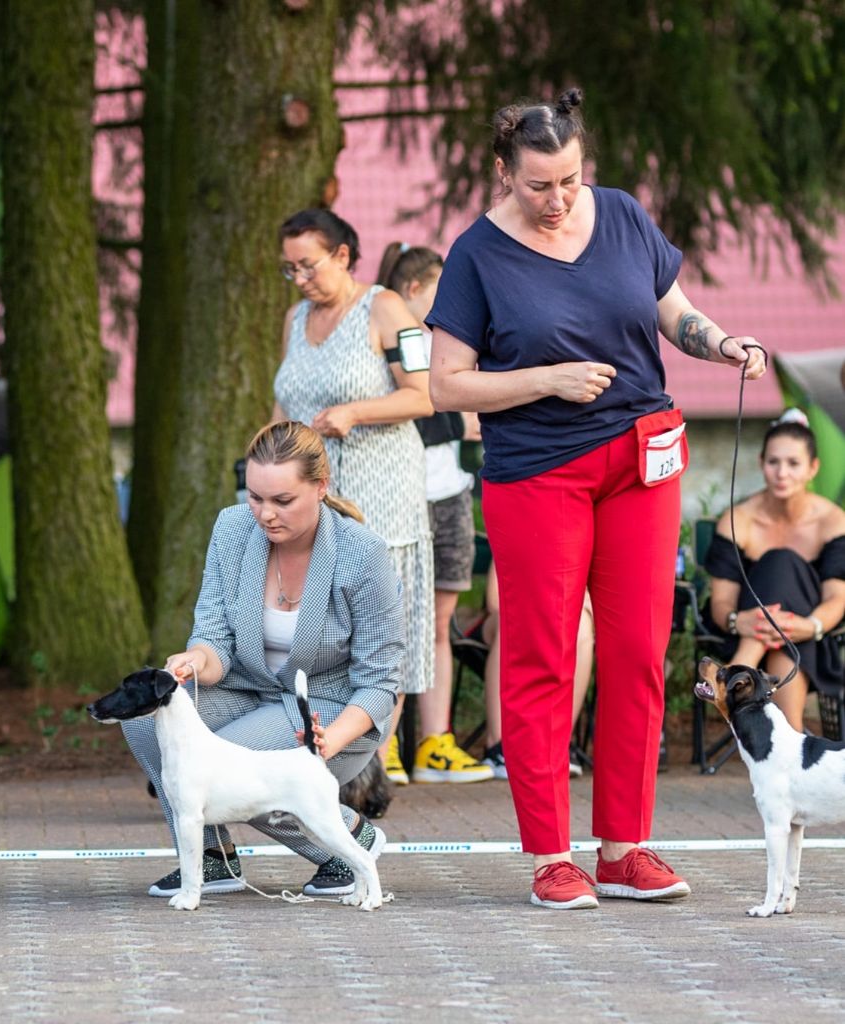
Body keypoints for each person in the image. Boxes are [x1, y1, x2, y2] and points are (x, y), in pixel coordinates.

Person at [426, 88, 767, 910]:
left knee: (638, 653)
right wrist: (545, 379)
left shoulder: (618, 215)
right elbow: (444, 382)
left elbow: (669, 310)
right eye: (539, 185)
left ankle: (624, 848)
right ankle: (551, 855)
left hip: (639, 461)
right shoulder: (475, 254)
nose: (558, 199)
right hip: (538, 470)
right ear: (503, 172)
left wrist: (720, 344)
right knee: (543, 656)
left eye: (570, 180)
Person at [123, 421, 404, 898]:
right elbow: (214, 639)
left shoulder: (364, 554)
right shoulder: (232, 528)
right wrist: (194, 660)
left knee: (231, 766)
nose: (264, 514)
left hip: (330, 708)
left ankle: (343, 845)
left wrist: (330, 738)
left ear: (321, 486)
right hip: (245, 688)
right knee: (143, 721)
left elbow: (381, 680)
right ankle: (212, 860)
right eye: (255, 497)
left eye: (282, 501)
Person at [272, 209, 436, 771]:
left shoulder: (385, 307)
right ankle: (320, 751)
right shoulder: (295, 318)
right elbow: (283, 402)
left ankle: (370, 766)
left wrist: (356, 412)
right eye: (289, 269)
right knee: (320, 632)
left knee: (377, 632)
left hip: (378, 495)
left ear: (343, 255)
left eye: (308, 265)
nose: (299, 279)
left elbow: (425, 395)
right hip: (310, 501)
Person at [376, 241, 492, 784]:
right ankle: (384, 746)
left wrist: (466, 416)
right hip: (404, 501)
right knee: (396, 626)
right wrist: (453, 417)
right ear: (415, 290)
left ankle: (434, 743)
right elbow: (416, 409)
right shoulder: (393, 339)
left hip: (450, 497)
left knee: (440, 623)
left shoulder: (438, 343)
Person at [705, 409, 845, 731]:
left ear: (813, 468)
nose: (782, 473)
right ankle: (791, 737)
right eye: (774, 462)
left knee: (782, 565)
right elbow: (721, 603)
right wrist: (738, 619)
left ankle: (737, 674)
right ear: (761, 463)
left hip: (811, 635)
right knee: (777, 571)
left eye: (793, 464)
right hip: (741, 628)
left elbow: (837, 598)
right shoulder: (738, 519)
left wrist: (808, 626)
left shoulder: (832, 521)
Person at [478, 561, 593, 781]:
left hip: (558, 622)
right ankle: (498, 747)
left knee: (583, 625)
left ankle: (559, 744)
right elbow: (494, 601)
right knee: (512, 620)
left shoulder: (580, 543)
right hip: (505, 620)